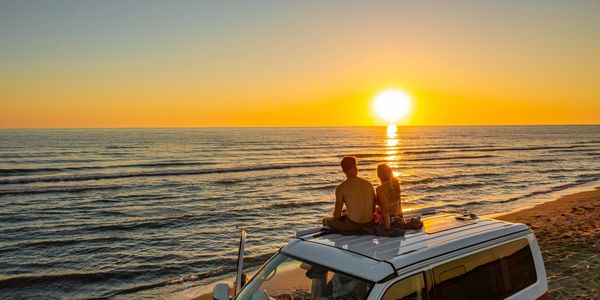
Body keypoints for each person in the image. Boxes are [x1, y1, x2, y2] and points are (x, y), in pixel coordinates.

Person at [322, 156, 375, 232]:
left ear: (343, 171)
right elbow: (373, 209)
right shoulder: (369, 184)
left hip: (353, 225)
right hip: (370, 222)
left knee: (326, 220)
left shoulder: (341, 188)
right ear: (355, 167)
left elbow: (337, 215)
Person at [375, 163, 403, 229]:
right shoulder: (396, 182)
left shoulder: (380, 189)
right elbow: (399, 201)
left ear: (378, 175)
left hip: (390, 220)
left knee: (374, 211)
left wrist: (387, 228)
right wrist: (401, 219)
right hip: (399, 217)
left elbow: (386, 210)